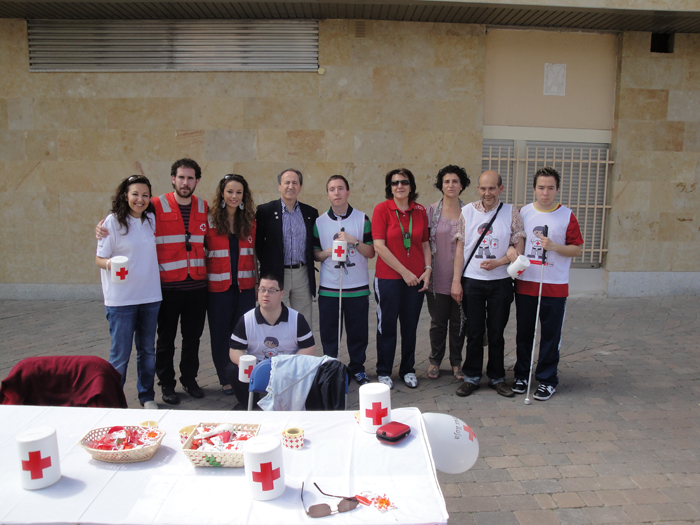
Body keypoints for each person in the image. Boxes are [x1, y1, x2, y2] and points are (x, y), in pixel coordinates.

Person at [97, 158, 209, 405]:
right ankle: (166, 385)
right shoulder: (155, 205)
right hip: (167, 287)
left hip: (197, 286)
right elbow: (126, 215)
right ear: (173, 178)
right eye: (181, 177)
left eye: (190, 178)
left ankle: (189, 379)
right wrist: (104, 224)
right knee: (164, 340)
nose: (185, 182)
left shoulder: (204, 206)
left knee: (193, 338)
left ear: (197, 181)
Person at [512, 167, 584, 401]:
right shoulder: (523, 213)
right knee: (524, 334)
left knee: (551, 335)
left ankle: (547, 379)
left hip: (554, 285)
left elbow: (576, 248)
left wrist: (554, 247)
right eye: (541, 188)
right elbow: (513, 241)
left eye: (550, 188)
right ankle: (522, 375)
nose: (545, 193)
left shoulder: (567, 215)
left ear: (557, 189)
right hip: (526, 284)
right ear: (534, 189)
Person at [452, 170, 525, 398]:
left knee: (496, 332)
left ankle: (497, 377)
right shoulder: (467, 212)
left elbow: (519, 248)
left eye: (492, 188)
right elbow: (460, 251)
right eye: (483, 188)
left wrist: (500, 262)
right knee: (473, 332)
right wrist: (456, 282)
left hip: (500, 282)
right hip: (472, 281)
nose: (487, 193)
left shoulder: (511, 212)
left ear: (500, 189)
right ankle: (472, 376)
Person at [95, 175, 161, 410]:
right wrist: (111, 264)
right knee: (120, 354)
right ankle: (113, 400)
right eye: (135, 194)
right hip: (121, 300)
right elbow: (99, 259)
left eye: (145, 195)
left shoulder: (151, 219)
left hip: (150, 296)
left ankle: (146, 396)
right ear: (125, 195)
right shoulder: (112, 223)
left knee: (147, 350)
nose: (140, 199)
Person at [372, 168, 431, 389]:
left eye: (404, 182)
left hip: (416, 279)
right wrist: (404, 272)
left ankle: (407, 369)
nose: (400, 186)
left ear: (411, 186)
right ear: (390, 187)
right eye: (395, 183)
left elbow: (425, 243)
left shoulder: (420, 211)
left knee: (410, 326)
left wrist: (428, 269)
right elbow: (379, 246)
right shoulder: (382, 209)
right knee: (386, 325)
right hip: (388, 278)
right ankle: (384, 371)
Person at [313, 175, 375, 385]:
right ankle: (331, 369)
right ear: (328, 194)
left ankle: (357, 369)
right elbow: (315, 254)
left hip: (357, 288)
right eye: (332, 189)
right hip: (330, 288)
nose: (336, 193)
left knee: (358, 333)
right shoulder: (319, 222)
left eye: (341, 188)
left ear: (348, 192)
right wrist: (329, 251)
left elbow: (370, 252)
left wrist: (353, 241)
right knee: (330, 334)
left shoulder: (362, 218)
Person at [225, 274, 316, 407]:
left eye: (272, 290)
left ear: (282, 294)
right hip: (256, 368)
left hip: (286, 369)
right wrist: (246, 363)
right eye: (262, 289)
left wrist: (289, 365)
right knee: (232, 369)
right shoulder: (246, 320)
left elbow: (310, 348)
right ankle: (249, 404)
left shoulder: (296, 319)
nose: (266, 294)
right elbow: (235, 349)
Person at [205, 174, 257, 396]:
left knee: (242, 334)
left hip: (245, 287)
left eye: (239, 192)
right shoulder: (210, 221)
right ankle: (225, 378)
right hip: (218, 289)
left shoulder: (251, 222)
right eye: (230, 192)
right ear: (222, 194)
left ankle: (241, 374)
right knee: (220, 334)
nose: (234, 196)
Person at [255, 169, 319, 326]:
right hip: (275, 274)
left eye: (295, 183)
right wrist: (269, 265)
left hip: (302, 274)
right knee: (272, 319)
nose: (291, 186)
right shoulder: (265, 211)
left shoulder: (310, 213)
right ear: (279, 186)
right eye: (287, 182)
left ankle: (302, 351)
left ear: (300, 186)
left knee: (303, 321)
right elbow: (258, 243)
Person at [426, 165, 470, 381]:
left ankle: (456, 362)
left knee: (459, 322)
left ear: (462, 185)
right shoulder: (431, 211)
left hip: (463, 278)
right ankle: (435, 360)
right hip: (437, 277)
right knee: (438, 322)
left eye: (455, 181)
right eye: (446, 181)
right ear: (441, 185)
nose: (451, 185)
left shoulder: (470, 212)